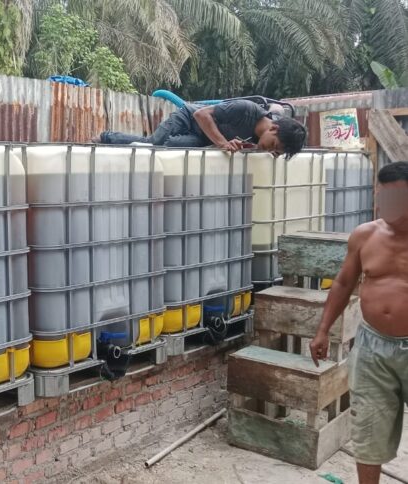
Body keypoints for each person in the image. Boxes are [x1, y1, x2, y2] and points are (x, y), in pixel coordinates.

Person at [309, 161, 408, 484]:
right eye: (382, 197)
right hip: (372, 348)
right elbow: (343, 283)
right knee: (367, 426)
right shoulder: (366, 235)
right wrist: (323, 330)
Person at [93, 99, 307, 159]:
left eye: (276, 152)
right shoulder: (247, 109)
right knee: (154, 143)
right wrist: (223, 143)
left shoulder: (257, 139)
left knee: (169, 148)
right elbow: (201, 115)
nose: (270, 150)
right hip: (188, 118)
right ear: (274, 128)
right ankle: (105, 137)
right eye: (273, 145)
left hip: (202, 139)